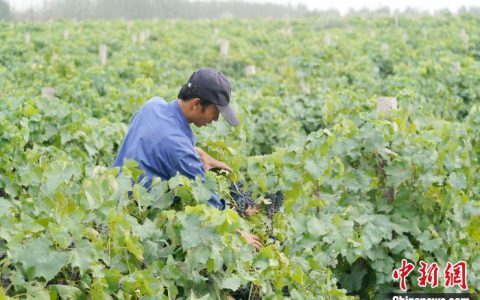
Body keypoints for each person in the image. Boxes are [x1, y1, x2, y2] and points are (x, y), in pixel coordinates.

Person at [112, 67, 262, 250]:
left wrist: (197, 152)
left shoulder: (153, 105)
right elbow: (207, 201)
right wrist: (237, 232)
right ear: (197, 104)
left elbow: (163, 138)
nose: (215, 120)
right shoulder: (181, 152)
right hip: (133, 226)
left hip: (113, 203)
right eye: (215, 113)